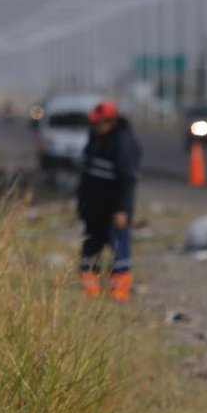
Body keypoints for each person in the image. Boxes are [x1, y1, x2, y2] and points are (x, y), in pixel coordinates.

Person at [76, 100, 142, 302]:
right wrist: (82, 207)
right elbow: (86, 176)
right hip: (93, 209)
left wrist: (122, 209)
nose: (95, 127)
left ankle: (118, 294)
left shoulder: (123, 143)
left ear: (110, 122)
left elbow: (127, 180)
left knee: (119, 250)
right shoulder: (95, 140)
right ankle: (89, 293)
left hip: (114, 210)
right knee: (90, 249)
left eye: (98, 123)